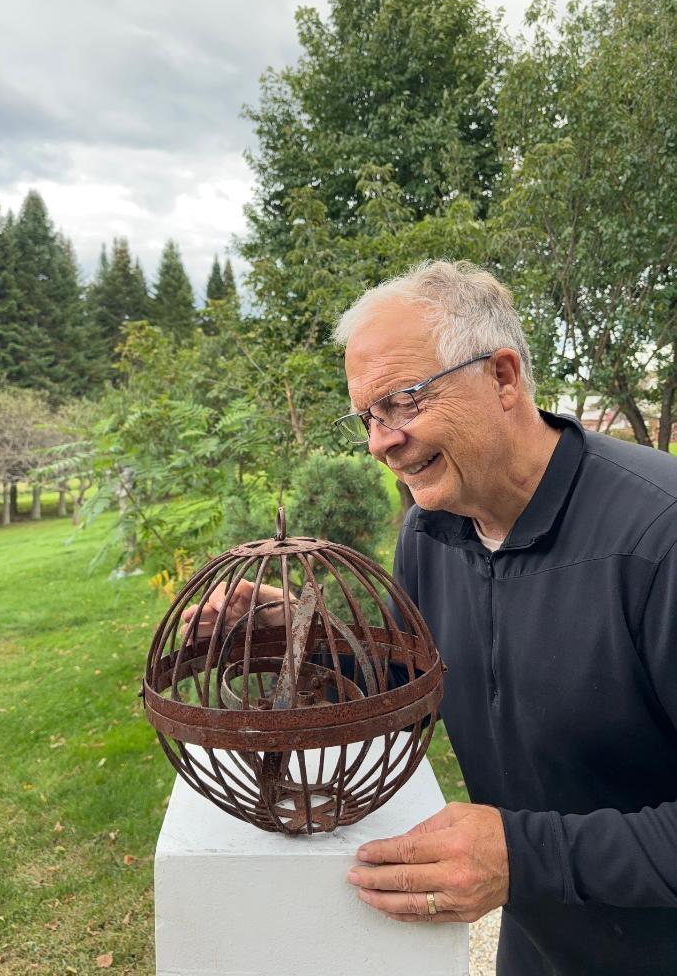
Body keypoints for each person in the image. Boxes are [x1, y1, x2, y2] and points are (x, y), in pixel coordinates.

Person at [184, 260, 677, 975]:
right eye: (367, 416)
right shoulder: (432, 529)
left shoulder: (657, 539)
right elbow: (403, 677)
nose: (380, 441)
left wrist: (521, 855)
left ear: (503, 378)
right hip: (541, 944)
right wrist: (303, 642)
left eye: (404, 401)